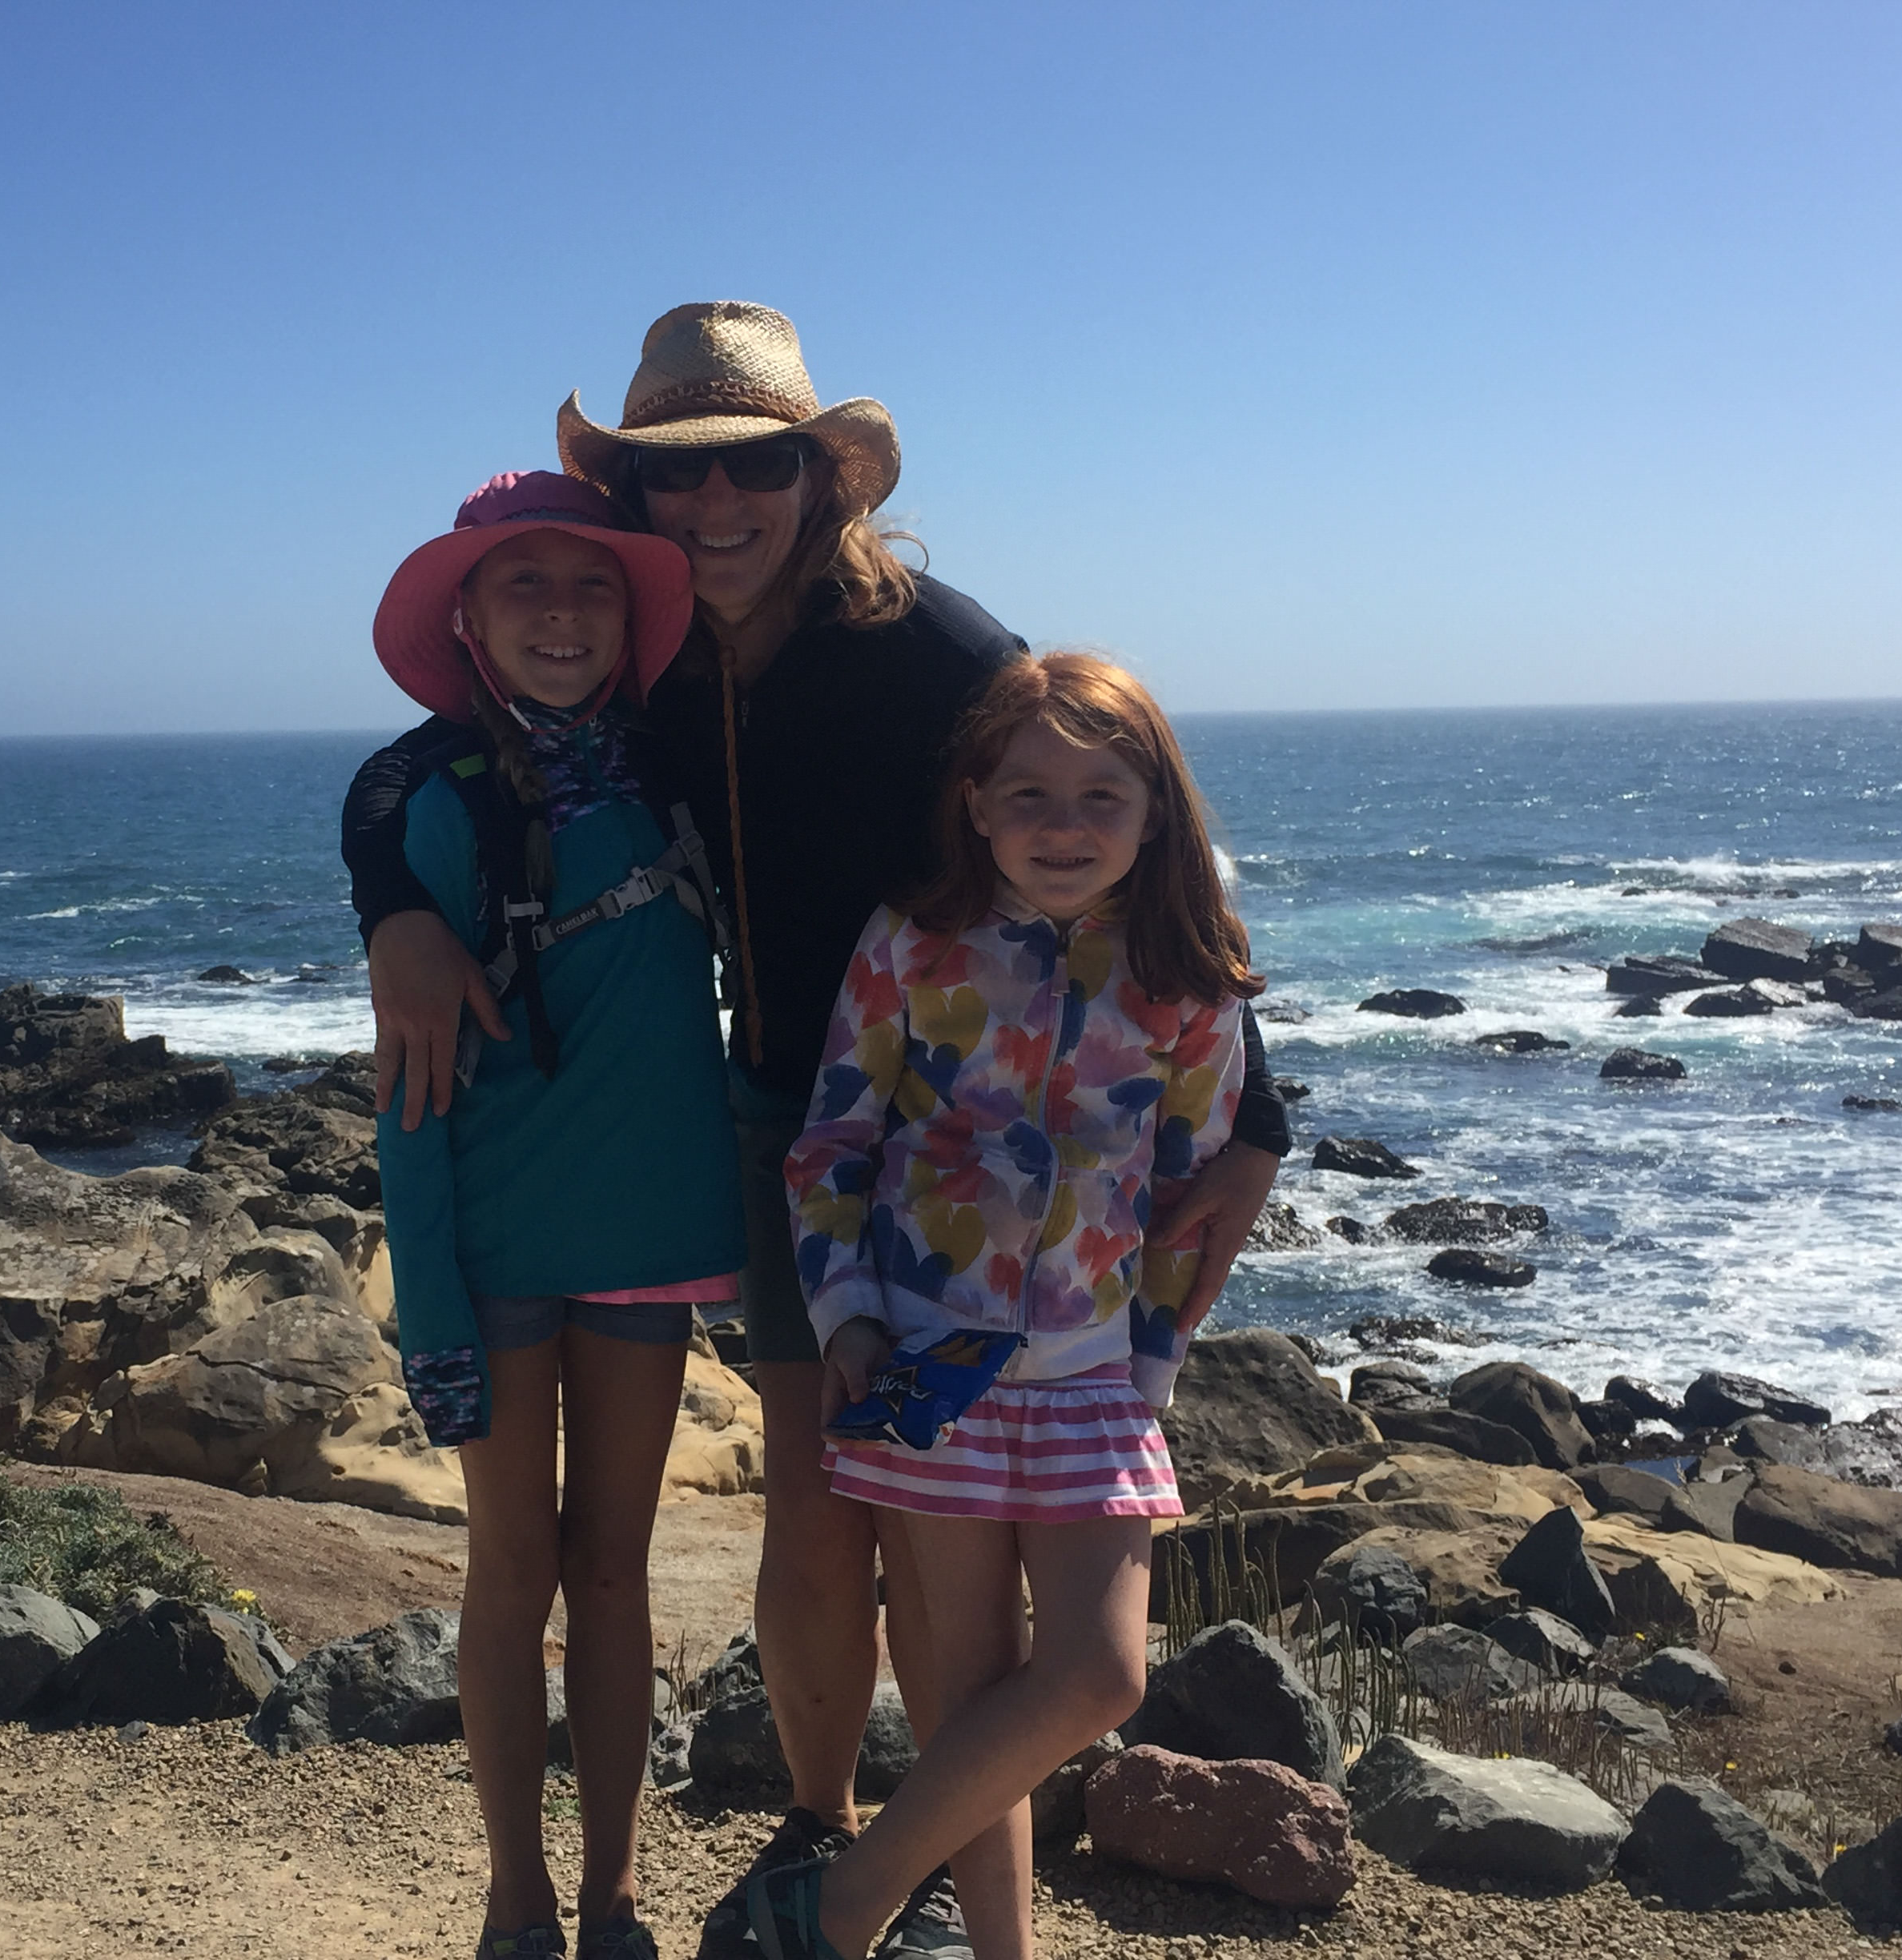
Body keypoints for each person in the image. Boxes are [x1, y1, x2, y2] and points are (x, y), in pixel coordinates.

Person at [342, 303, 1293, 1960]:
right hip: (801, 1121)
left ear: (820, 479)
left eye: (756, 469)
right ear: (631, 499)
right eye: (673, 480)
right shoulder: (633, 664)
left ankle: (906, 1871)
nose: (716, 511)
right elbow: (420, 767)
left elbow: (1120, 822)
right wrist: (389, 912)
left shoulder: (935, 649)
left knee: (916, 1545)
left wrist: (1257, 1106)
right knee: (810, 1503)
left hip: (966, 1139)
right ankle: (822, 1825)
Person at [748, 653, 1262, 1960]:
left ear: (1157, 815)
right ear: (975, 804)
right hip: (927, 1360)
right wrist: (848, 1321)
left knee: (1098, 1673)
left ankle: (851, 1899)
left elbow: (1191, 1206)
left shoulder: (1190, 981)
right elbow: (829, 1146)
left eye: (1103, 795)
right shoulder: (911, 940)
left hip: (1096, 1376)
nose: (1064, 824)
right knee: (971, 1703)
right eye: (1028, 792)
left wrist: (1152, 1376)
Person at [364, 468, 747, 1960]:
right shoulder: (431, 806)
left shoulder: (673, 768)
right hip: (503, 1244)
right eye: (522, 584)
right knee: (511, 1569)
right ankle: (516, 1900)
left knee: (615, 1570)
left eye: (590, 583)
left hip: (650, 1233)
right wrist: (432, 1310)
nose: (562, 613)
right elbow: (407, 1093)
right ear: (466, 614)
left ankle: (614, 1901)